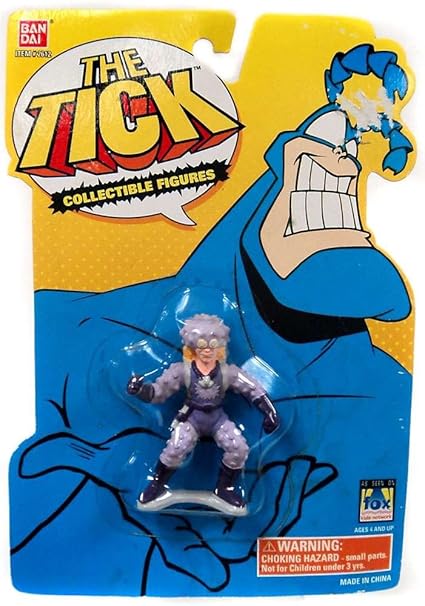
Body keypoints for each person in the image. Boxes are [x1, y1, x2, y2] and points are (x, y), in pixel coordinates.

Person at [127, 313, 279, 508]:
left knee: (238, 449)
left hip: (217, 418)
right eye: (201, 345)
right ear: (191, 346)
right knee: (176, 449)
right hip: (191, 417)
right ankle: (157, 485)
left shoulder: (227, 372)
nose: (207, 350)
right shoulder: (182, 371)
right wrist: (140, 390)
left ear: (220, 346)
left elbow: (253, 390)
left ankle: (224, 489)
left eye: (212, 345)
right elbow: (158, 392)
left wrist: (269, 411)